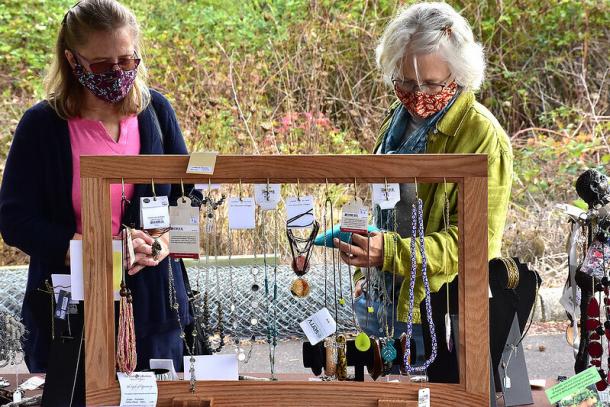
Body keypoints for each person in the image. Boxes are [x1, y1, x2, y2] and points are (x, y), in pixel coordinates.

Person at [0, 0, 192, 374]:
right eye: (103, 65)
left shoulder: (156, 112)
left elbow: (191, 197)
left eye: (127, 61)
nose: (117, 73)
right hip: (71, 309)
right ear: (73, 61)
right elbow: (14, 219)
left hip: (154, 307)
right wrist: (94, 251)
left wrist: (162, 243)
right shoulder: (42, 126)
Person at [334, 2, 513, 382]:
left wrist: (391, 253)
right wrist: (367, 262)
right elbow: (384, 208)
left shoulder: (482, 135)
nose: (418, 95)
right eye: (406, 82)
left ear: (459, 73)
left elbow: (474, 246)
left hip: (438, 313)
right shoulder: (396, 124)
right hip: (384, 300)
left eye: (432, 84)